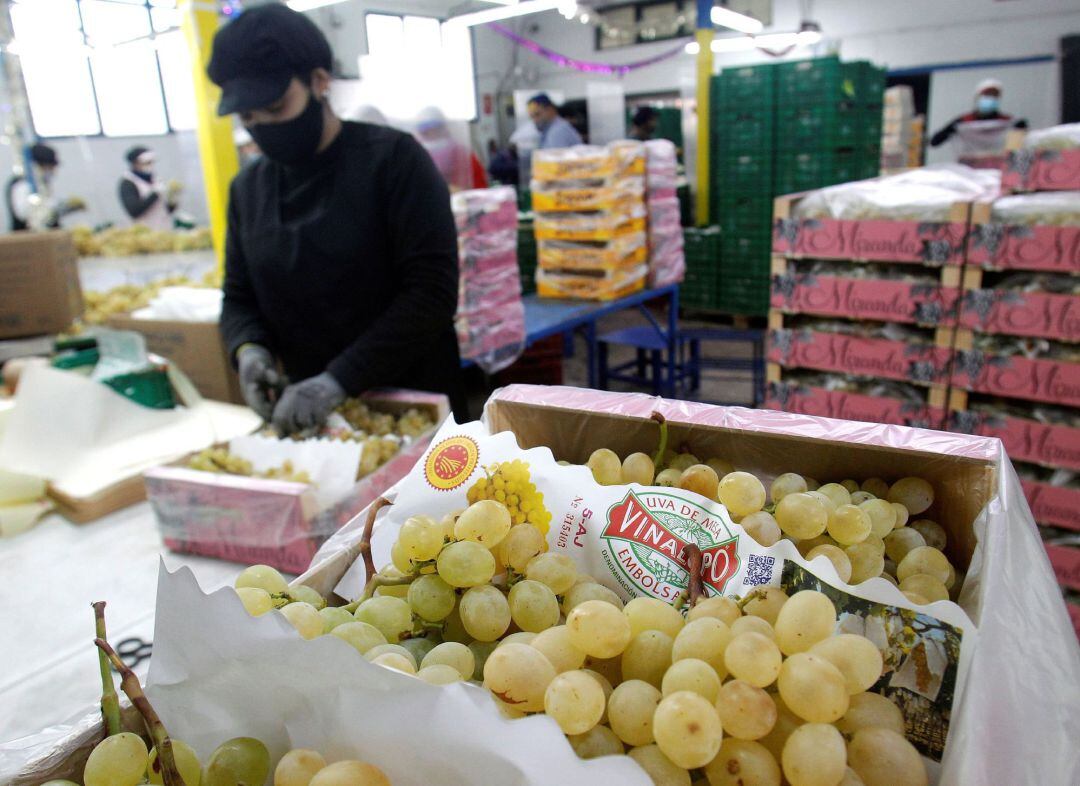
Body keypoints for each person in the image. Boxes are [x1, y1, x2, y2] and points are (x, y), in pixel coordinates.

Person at [207, 4, 466, 433]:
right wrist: (248, 349)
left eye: (275, 108)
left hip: (412, 411)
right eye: (249, 118)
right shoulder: (247, 189)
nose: (263, 127)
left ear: (319, 81)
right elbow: (238, 296)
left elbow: (432, 293)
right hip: (313, 419)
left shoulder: (394, 162)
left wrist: (338, 379)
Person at [929, 79, 1027, 156]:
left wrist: (1020, 130)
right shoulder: (963, 122)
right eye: (987, 95)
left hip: (998, 172)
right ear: (977, 97)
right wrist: (949, 130)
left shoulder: (1009, 122)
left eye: (994, 96)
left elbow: (1017, 149)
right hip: (968, 172)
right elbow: (934, 142)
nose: (991, 98)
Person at [6, 143, 85, 231]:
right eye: (50, 167)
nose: (53, 171)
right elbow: (23, 213)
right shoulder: (22, 184)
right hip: (28, 239)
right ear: (40, 165)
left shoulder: (42, 184)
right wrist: (57, 207)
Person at [415, 106, 487, 192]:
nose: (431, 133)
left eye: (435, 128)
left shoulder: (461, 154)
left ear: (443, 128)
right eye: (426, 131)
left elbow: (479, 187)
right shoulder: (416, 155)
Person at [118, 147, 181, 230]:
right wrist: (155, 193)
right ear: (135, 163)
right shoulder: (127, 183)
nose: (150, 166)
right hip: (145, 232)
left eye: (152, 162)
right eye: (146, 163)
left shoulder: (155, 179)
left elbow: (164, 210)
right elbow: (134, 211)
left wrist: (172, 199)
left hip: (164, 229)